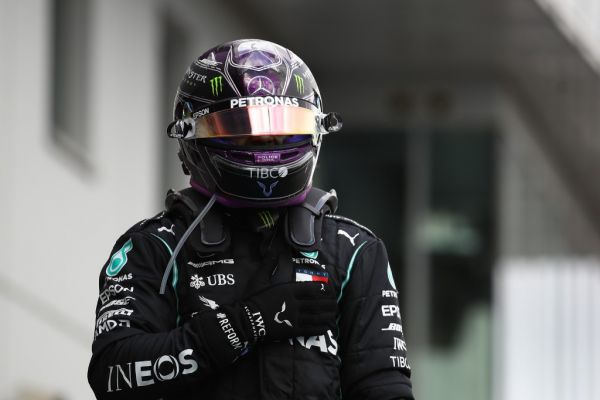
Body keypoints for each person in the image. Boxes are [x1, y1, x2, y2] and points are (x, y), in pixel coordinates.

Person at [87, 38, 414, 400]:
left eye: (283, 128)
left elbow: (385, 389)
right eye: (246, 129)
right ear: (192, 135)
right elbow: (113, 374)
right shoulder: (156, 247)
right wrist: (245, 324)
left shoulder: (353, 251)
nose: (268, 144)